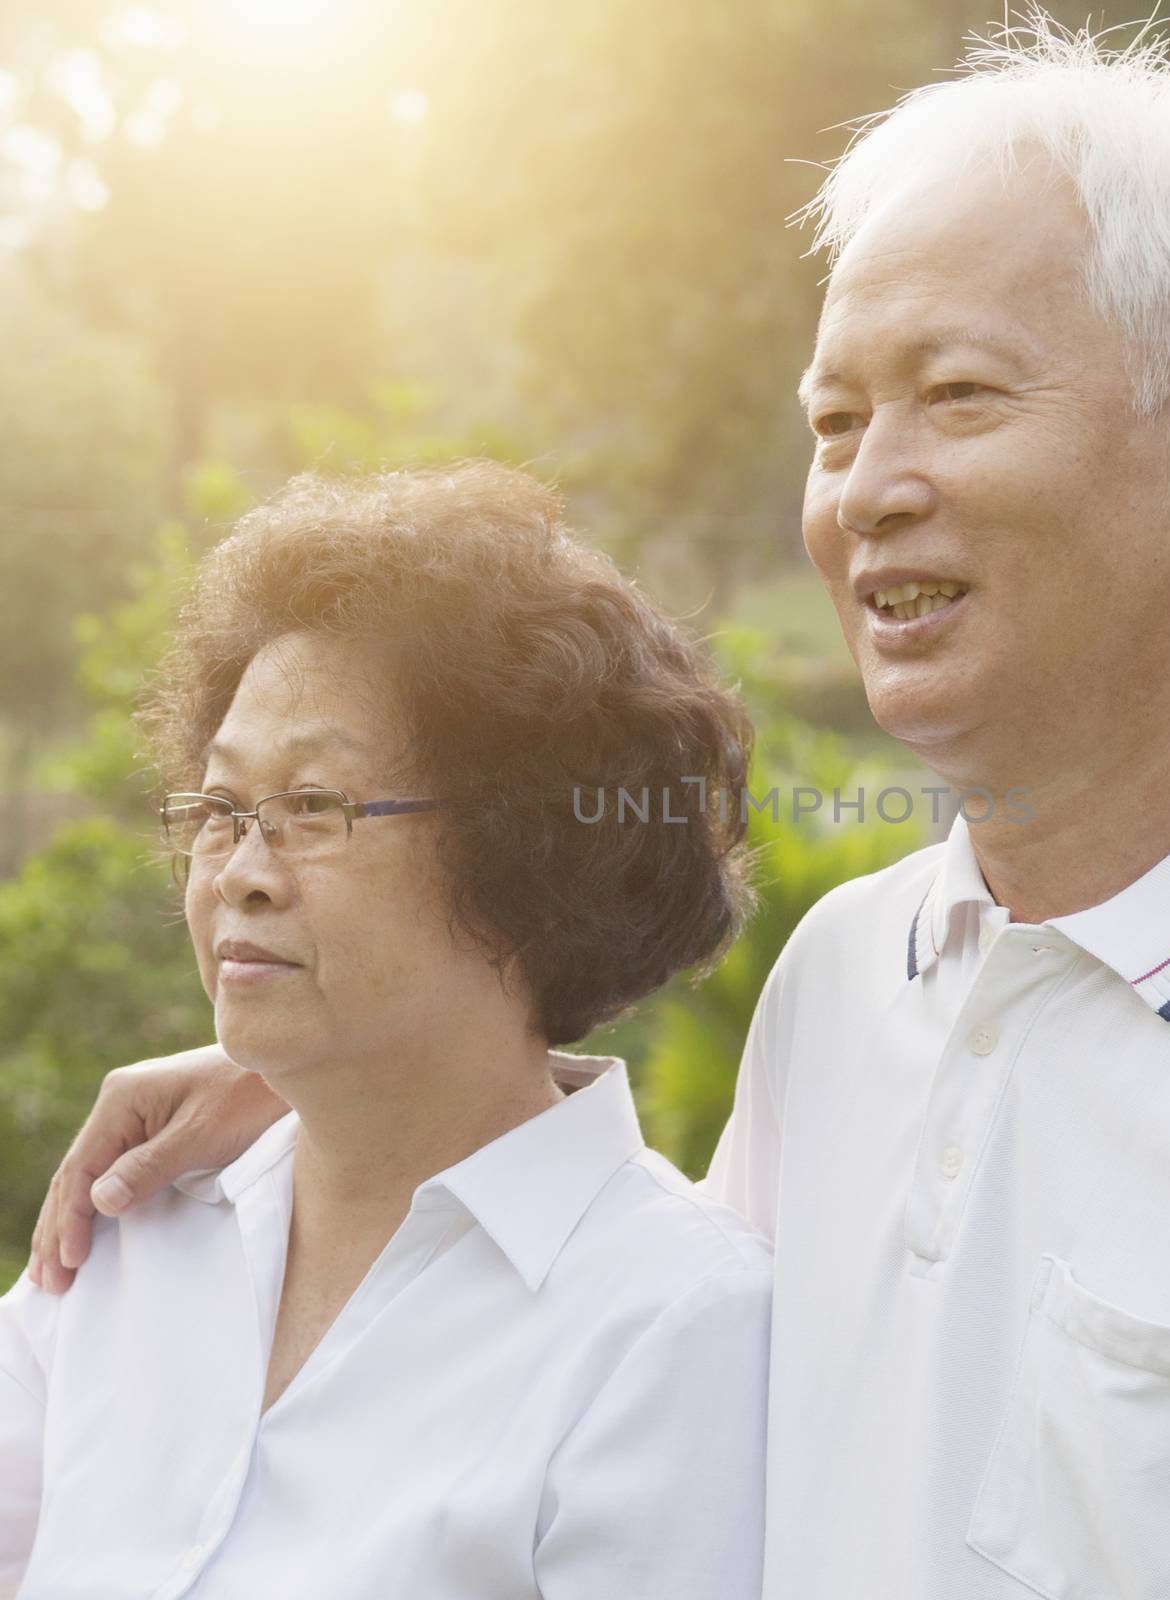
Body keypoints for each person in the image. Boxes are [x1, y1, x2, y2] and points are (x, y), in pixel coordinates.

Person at [23, 20, 1170, 1599]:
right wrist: (340, 1094)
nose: (868, 489)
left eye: (958, 394)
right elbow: (631, 1330)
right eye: (836, 422)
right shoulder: (848, 986)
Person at [0, 463, 772, 1598]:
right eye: (218, 808)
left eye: (315, 806)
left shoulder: (672, 1324)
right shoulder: (135, 1228)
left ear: (531, 857)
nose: (239, 875)